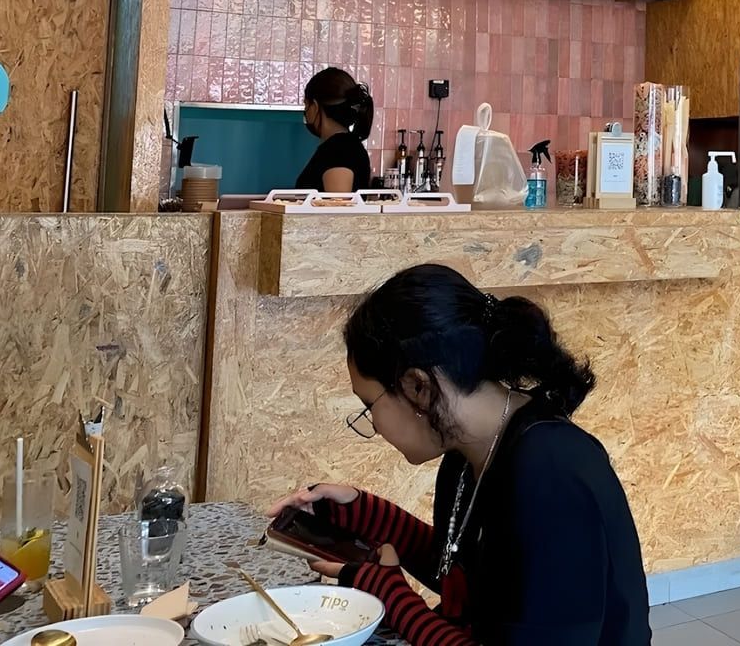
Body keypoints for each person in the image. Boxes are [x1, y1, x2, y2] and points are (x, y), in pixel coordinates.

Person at [269, 264, 651, 645]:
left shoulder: (552, 477)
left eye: (370, 405)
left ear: (418, 387)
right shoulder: (469, 451)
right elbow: (465, 574)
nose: (375, 424)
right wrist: (365, 513)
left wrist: (392, 599)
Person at [296, 66, 375, 192]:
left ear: (315, 106)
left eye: (306, 105)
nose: (305, 111)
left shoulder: (338, 151)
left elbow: (338, 202)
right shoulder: (346, 146)